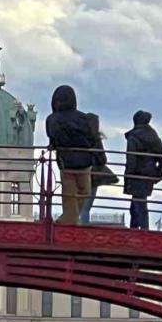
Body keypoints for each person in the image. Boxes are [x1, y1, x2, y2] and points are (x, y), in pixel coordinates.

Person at [46, 85, 100, 225]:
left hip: (66, 162)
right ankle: (70, 220)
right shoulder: (83, 118)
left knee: (69, 195)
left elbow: (53, 137)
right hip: (84, 162)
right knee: (85, 191)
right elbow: (91, 138)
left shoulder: (52, 119)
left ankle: (68, 221)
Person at [124, 110, 162, 230]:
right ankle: (139, 230)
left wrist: (128, 176)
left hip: (136, 175)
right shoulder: (153, 136)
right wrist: (156, 177)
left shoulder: (133, 137)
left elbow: (131, 159)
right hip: (148, 175)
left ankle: (139, 231)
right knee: (138, 204)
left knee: (138, 205)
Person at [79, 113, 116, 225]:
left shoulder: (79, 137)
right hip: (94, 176)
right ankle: (83, 228)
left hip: (79, 172)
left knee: (79, 205)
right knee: (87, 206)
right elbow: (102, 158)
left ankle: (76, 228)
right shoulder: (95, 139)